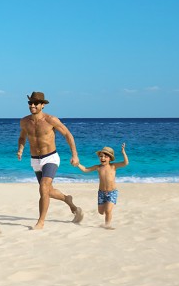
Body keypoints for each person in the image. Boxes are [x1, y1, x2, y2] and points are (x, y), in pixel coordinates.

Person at [16, 91, 84, 229]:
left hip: (50, 158)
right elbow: (23, 137)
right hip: (35, 160)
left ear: (43, 105)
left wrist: (75, 155)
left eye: (36, 103)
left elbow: (67, 135)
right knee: (48, 191)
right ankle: (68, 200)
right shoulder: (24, 121)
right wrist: (21, 149)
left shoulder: (51, 120)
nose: (32, 105)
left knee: (43, 188)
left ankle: (40, 222)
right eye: (30, 103)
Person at [76, 143, 128, 229]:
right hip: (101, 193)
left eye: (105, 157)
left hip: (112, 192)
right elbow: (85, 169)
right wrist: (77, 164)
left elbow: (125, 163)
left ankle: (107, 225)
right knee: (101, 212)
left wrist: (123, 152)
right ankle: (106, 213)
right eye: (101, 156)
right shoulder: (98, 167)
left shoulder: (113, 166)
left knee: (108, 210)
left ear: (110, 158)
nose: (102, 158)